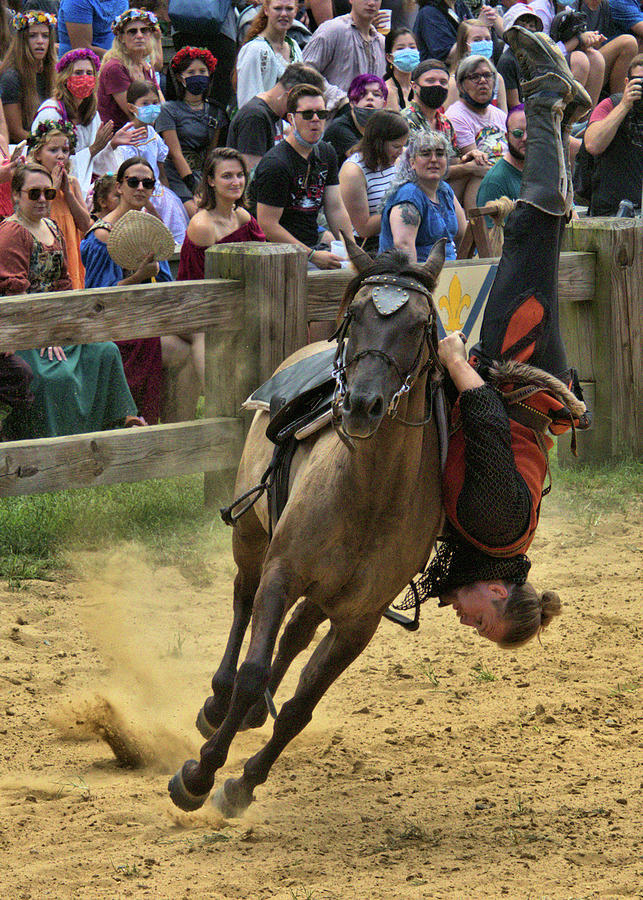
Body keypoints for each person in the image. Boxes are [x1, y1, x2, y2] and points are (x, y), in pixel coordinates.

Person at [409, 26, 592, 647]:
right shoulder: (492, 528)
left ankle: (556, 110)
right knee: (531, 232)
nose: (465, 621)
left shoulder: (503, 542)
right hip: (515, 371)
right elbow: (484, 423)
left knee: (539, 233)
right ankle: (543, 100)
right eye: (481, 622)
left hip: (531, 385)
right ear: (497, 593)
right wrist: (460, 364)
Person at [0, 162, 143, 440]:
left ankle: (116, 425)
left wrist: (69, 326)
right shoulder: (11, 233)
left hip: (57, 324)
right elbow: (15, 296)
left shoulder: (53, 227)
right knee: (57, 375)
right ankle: (57, 445)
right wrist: (44, 334)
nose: (42, 200)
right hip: (21, 332)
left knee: (105, 351)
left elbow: (64, 283)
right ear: (16, 195)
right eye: (34, 194)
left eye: (48, 193)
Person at [81, 156, 200, 423]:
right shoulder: (102, 234)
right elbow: (100, 299)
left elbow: (165, 285)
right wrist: (139, 277)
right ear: (120, 187)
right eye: (133, 182)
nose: (140, 188)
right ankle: (171, 431)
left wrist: (155, 279)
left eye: (148, 183)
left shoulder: (148, 227)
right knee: (185, 353)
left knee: (198, 338)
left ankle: (175, 435)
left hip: (146, 318)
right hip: (115, 327)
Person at [178, 147, 265, 392]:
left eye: (240, 175)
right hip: (198, 306)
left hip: (238, 300)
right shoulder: (202, 225)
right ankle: (217, 400)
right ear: (210, 181)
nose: (236, 182)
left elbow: (262, 258)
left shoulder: (244, 217)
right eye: (227, 176)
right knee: (203, 336)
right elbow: (196, 285)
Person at [249, 84, 354, 270]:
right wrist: (312, 256)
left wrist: (352, 250)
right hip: (276, 255)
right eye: (307, 114)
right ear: (291, 118)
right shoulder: (276, 164)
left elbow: (335, 207)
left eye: (321, 114)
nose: (315, 119)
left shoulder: (326, 152)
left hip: (312, 243)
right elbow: (268, 225)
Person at [32, 47, 145, 199]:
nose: (84, 77)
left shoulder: (92, 114)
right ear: (65, 78)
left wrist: (112, 145)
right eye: (78, 73)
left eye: (89, 73)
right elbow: (46, 161)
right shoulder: (50, 113)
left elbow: (96, 162)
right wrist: (94, 149)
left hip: (87, 182)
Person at [403, 59, 495, 209]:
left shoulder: (445, 122)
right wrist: (468, 168)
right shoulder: (406, 121)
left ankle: (474, 226)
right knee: (475, 172)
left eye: (443, 82)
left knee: (479, 170)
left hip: (440, 187)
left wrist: (469, 158)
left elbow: (452, 162)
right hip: (414, 191)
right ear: (414, 86)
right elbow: (416, 171)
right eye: (430, 81)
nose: (437, 86)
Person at [116, 80, 188, 243]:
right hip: (139, 193)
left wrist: (167, 194)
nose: (152, 107)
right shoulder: (128, 137)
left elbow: (160, 170)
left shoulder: (153, 134)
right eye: (145, 103)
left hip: (159, 193)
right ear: (132, 108)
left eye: (155, 103)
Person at [379, 129, 465, 261]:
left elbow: (461, 232)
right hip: (414, 275)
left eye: (440, 154)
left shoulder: (444, 190)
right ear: (412, 162)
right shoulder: (408, 197)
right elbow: (404, 247)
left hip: (448, 272)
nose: (434, 160)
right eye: (425, 154)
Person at [156, 47, 220, 219]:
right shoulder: (168, 110)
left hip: (204, 175)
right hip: (178, 176)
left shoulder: (216, 111)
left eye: (202, 71)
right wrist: (194, 186)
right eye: (191, 72)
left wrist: (208, 184)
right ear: (180, 78)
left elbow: (211, 152)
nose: (197, 75)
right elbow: (175, 153)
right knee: (198, 215)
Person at [28, 120, 91, 290]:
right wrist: (52, 190)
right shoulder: (32, 186)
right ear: (38, 153)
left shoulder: (72, 183)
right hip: (47, 254)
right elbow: (35, 222)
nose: (61, 155)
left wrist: (68, 193)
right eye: (53, 150)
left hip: (71, 250)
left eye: (65, 150)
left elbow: (86, 225)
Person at [227, 62, 324, 173]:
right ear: (291, 95)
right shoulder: (255, 117)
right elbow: (252, 173)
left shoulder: (274, 114)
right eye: (307, 111)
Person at [339, 108, 408, 252]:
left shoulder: (397, 160)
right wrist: (403, 208)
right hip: (370, 244)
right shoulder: (353, 172)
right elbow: (363, 228)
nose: (401, 152)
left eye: (403, 146)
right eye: (396, 146)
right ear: (378, 143)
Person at [583, 53, 643, 214]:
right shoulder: (611, 104)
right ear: (626, 82)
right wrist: (624, 105)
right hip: (610, 212)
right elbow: (592, 144)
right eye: (638, 81)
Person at [302, 0, 387, 93]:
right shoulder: (332, 30)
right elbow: (304, 72)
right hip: (333, 106)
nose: (371, 3)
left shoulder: (381, 42)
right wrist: (339, 98)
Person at [97, 8, 159, 131]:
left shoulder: (146, 67)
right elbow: (134, 115)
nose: (139, 35)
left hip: (143, 131)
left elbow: (159, 104)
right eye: (132, 32)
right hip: (118, 138)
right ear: (121, 38)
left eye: (144, 30)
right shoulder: (115, 68)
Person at [0, 10, 57, 144]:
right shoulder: (12, 77)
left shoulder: (52, 72)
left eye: (45, 36)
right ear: (23, 41)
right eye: (33, 36)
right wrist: (48, 144)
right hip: (24, 149)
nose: (40, 41)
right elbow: (15, 132)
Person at [235, 0, 304, 110]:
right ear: (266, 10)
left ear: (296, 11)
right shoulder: (254, 49)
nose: (284, 14)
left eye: (289, 9)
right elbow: (248, 104)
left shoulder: (294, 46)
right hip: (263, 123)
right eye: (277, 8)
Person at [446, 56, 507, 163]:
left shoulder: (500, 115)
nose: (483, 81)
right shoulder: (456, 117)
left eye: (487, 75)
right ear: (460, 86)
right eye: (475, 77)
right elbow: (477, 164)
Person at [574, 0, 638, 93]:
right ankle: (618, 101)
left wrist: (597, 41)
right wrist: (582, 41)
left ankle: (618, 100)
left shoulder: (604, 6)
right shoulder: (574, 5)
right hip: (576, 62)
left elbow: (604, 41)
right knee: (628, 42)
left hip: (595, 59)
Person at [445, 19, 508, 111]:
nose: (484, 43)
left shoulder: (497, 78)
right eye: (477, 40)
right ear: (464, 44)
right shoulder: (454, 83)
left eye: (487, 39)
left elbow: (504, 116)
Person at [324, 74, 388, 162]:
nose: (370, 97)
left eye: (376, 94)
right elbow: (364, 160)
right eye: (362, 94)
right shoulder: (339, 128)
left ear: (384, 104)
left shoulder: (384, 125)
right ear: (352, 102)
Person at [476, 103, 526, 212]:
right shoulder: (494, 182)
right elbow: (490, 228)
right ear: (507, 137)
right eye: (518, 133)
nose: (525, 138)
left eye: (531, 132)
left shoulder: (544, 170)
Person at [57, 0, 128, 59]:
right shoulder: (76, 2)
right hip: (81, 67)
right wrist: (121, 59)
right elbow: (82, 49)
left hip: (118, 61)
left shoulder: (122, 1)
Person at [413, 0, 473, 64]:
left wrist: (482, 23)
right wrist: (474, 35)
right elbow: (448, 56)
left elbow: (474, 31)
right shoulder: (429, 13)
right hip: (438, 71)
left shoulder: (459, 5)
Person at [384, 28, 420, 113]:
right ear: (389, 57)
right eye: (400, 49)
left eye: (412, 47)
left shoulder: (418, 88)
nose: (408, 52)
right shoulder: (387, 90)